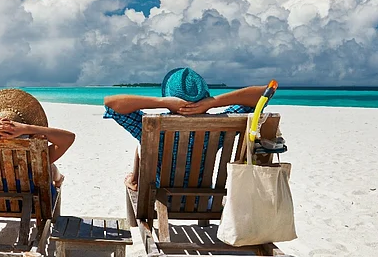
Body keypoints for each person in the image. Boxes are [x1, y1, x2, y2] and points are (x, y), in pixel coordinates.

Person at [104, 67, 269, 192]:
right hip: (202, 199)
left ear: (169, 96)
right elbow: (266, 93)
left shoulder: (153, 126)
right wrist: (214, 102)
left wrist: (161, 102)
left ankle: (134, 180)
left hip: (159, 197)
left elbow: (111, 104)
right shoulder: (220, 127)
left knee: (143, 144)